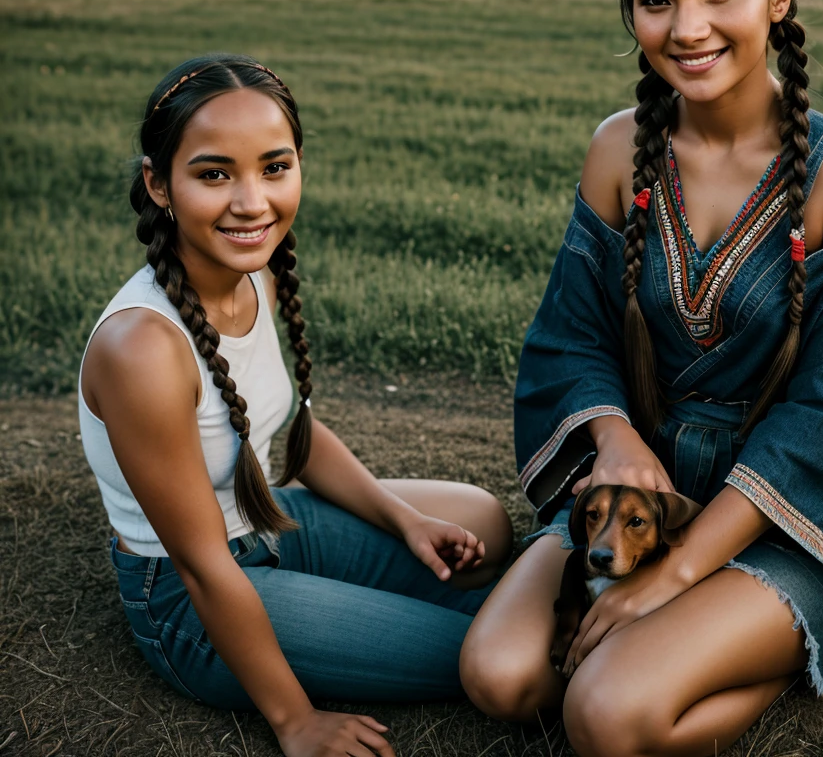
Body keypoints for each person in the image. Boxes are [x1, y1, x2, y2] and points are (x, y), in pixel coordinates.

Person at [460, 0, 823, 756]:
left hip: (783, 516)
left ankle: (781, 643)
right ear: (630, 9)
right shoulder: (616, 150)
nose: (687, 27)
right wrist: (618, 440)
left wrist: (677, 578)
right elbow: (571, 335)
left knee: (601, 713)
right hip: (646, 498)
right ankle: (677, 644)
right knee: (500, 678)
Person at [79, 54, 512, 757]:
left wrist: (406, 523)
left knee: (482, 525)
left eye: (273, 167)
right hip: (191, 599)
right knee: (494, 655)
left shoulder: (253, 279)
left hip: (262, 522)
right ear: (158, 184)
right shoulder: (141, 350)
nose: (252, 202)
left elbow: (294, 437)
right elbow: (202, 567)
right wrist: (295, 722)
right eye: (214, 174)